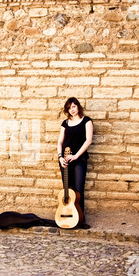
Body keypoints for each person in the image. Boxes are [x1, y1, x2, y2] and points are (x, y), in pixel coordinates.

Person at [57, 97, 93, 229]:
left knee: (78, 190)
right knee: (68, 189)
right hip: (65, 159)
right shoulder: (65, 123)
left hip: (79, 159)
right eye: (69, 108)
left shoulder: (86, 121)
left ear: (78, 106)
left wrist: (76, 156)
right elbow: (60, 141)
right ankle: (67, 215)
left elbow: (88, 140)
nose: (72, 110)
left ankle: (80, 219)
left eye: (73, 106)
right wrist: (60, 157)